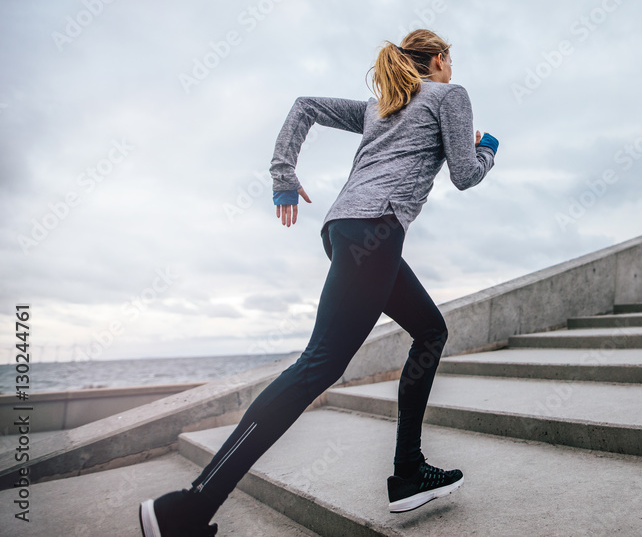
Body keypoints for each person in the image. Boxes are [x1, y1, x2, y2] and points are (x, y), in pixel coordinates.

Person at [139, 28, 498, 536]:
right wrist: (488, 150)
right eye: (449, 62)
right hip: (377, 228)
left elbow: (305, 105)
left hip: (349, 230)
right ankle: (189, 509)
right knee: (318, 365)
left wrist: (284, 175)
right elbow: (464, 174)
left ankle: (409, 472)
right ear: (439, 60)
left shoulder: (382, 106)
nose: (451, 71)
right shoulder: (449, 95)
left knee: (430, 330)